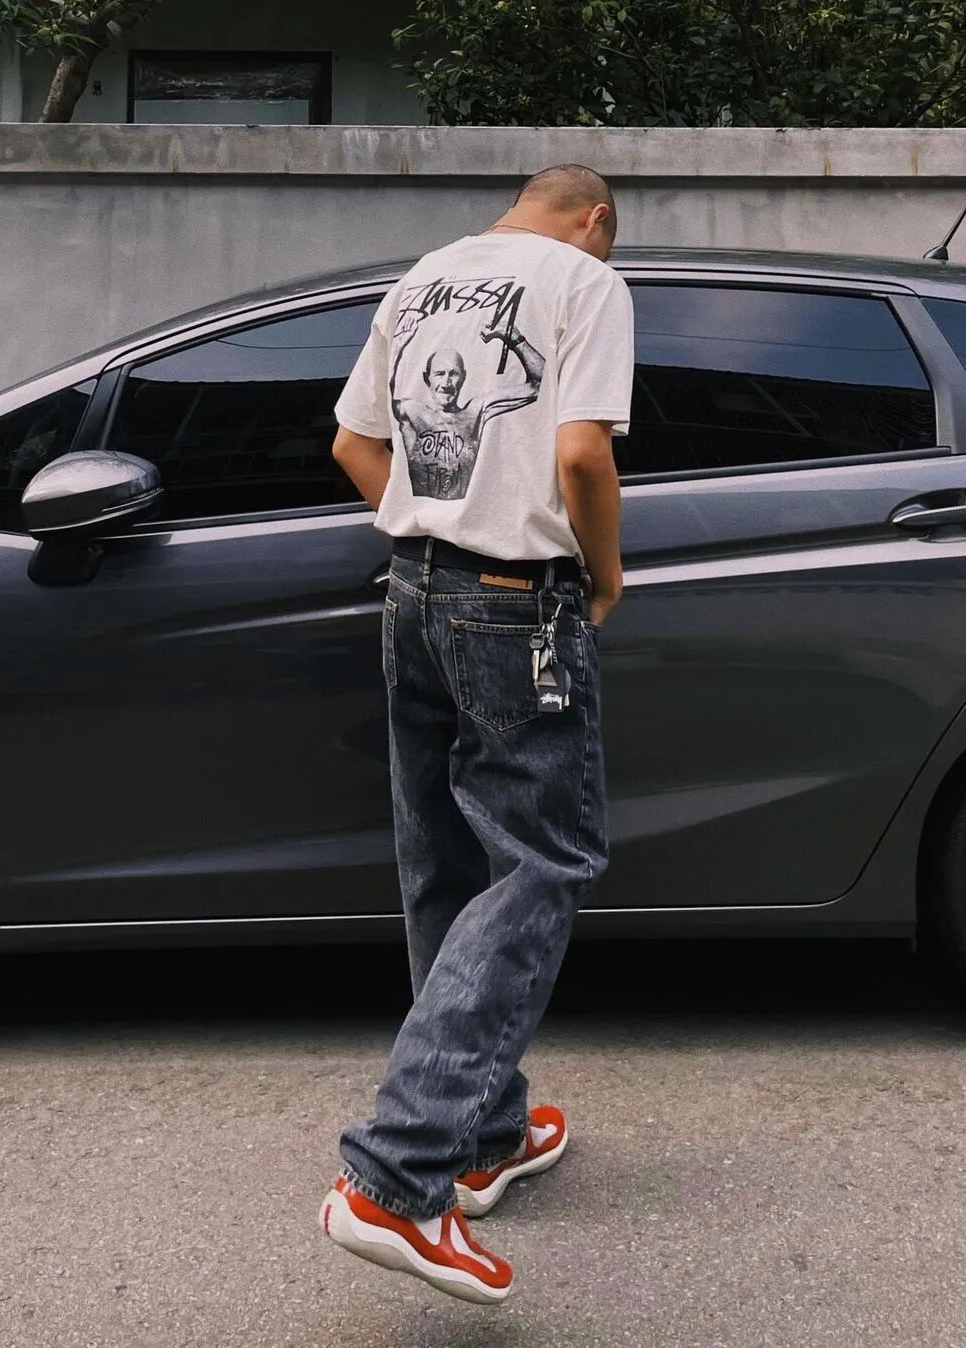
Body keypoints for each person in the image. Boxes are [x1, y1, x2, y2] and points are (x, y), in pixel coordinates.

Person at [319, 163, 635, 1306]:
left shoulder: (424, 276)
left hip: (411, 593)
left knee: (444, 861)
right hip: (516, 600)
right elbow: (583, 451)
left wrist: (435, 528)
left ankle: (487, 1130)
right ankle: (397, 1173)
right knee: (543, 862)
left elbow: (354, 444)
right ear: (596, 220)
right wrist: (603, 575)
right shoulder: (585, 282)